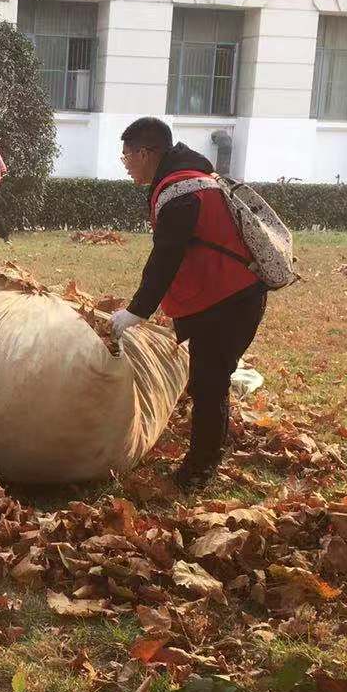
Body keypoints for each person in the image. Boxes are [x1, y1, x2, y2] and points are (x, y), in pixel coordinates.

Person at [110, 117, 267, 491]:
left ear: (147, 153)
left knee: (209, 385)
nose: (126, 163)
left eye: (127, 156)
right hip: (227, 297)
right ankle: (205, 460)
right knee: (207, 382)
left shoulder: (181, 191)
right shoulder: (187, 180)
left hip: (231, 301)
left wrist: (136, 311)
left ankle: (199, 470)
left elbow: (167, 256)